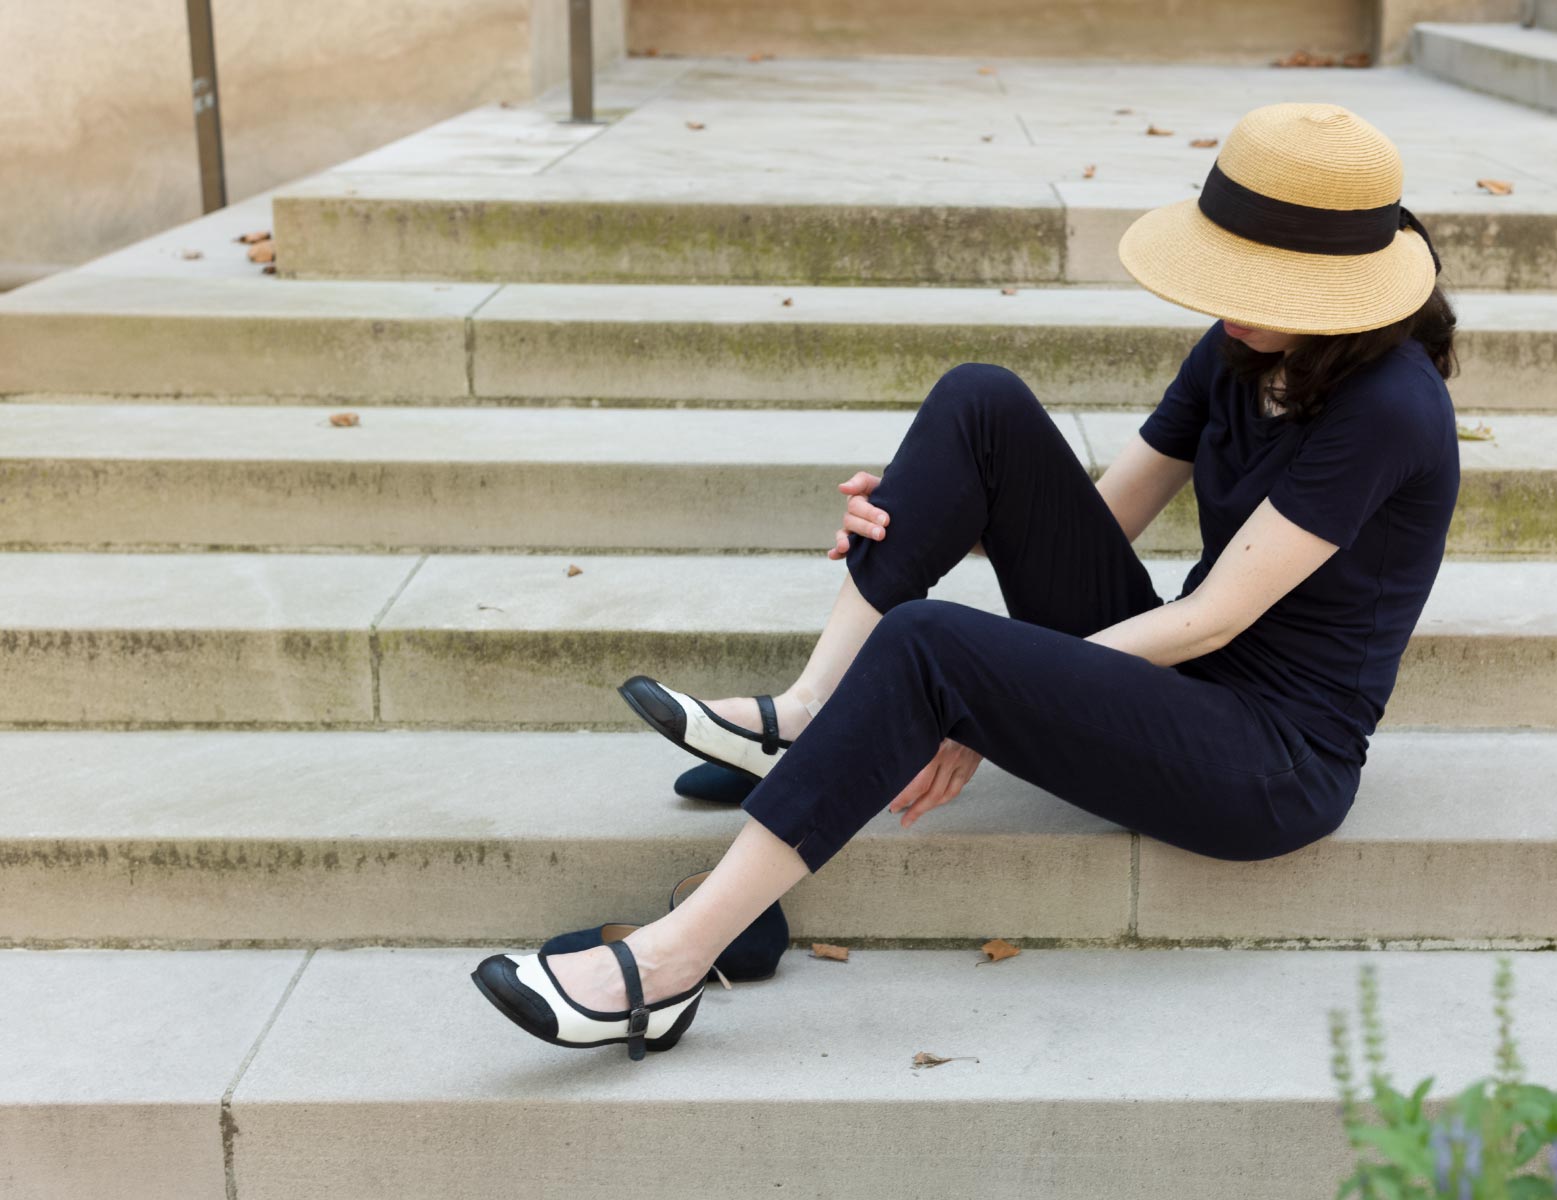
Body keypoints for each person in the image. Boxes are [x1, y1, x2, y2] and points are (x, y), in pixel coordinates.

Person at [471, 101, 1463, 1060]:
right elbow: (1101, 519)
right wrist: (924, 500)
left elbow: (1206, 621)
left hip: (1267, 761)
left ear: (1330, 286)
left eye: (1256, 280)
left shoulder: (1388, 409)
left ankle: (670, 964)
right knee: (978, 403)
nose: (1223, 300)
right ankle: (813, 712)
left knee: (931, 647)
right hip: (1171, 683)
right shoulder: (1243, 344)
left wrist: (987, 705)